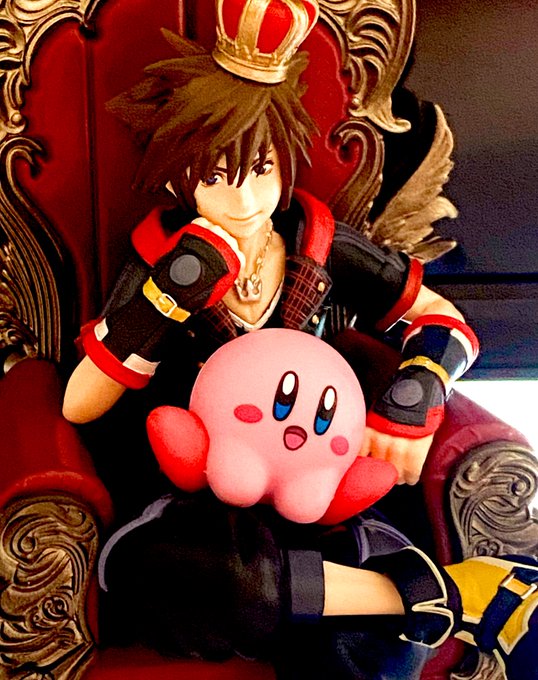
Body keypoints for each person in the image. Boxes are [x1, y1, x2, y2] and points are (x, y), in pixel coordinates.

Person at [62, 1, 538, 678]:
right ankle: (437, 596)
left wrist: (414, 395)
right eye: (215, 177)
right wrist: (167, 298)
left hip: (317, 486)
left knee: (357, 650)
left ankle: (347, 600)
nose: (244, 202)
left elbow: (443, 321)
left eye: (260, 169)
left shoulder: (317, 244)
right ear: (177, 179)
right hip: (199, 501)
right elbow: (79, 402)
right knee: (191, 574)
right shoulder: (161, 262)